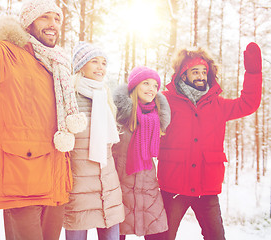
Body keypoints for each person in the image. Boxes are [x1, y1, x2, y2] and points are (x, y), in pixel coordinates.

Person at [0, 0, 87, 239]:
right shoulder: (7, 56)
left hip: (56, 184)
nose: (53, 24)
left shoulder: (58, 66)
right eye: (45, 17)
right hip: (24, 183)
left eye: (57, 19)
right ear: (29, 22)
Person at [157, 42, 262, 240]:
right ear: (183, 75)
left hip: (206, 188)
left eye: (204, 72)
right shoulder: (166, 101)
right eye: (195, 71)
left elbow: (248, 103)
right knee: (161, 237)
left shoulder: (218, 105)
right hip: (173, 187)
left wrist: (253, 73)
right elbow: (140, 112)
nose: (200, 76)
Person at [63, 41, 125, 240]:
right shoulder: (69, 96)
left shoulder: (105, 95)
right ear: (81, 65)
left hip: (107, 185)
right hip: (79, 186)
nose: (101, 67)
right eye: (94, 61)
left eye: (104, 63)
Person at [112, 66, 171, 240]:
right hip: (120, 188)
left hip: (148, 189)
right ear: (134, 86)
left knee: (158, 234)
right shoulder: (118, 117)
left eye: (155, 85)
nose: (151, 89)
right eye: (146, 83)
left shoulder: (157, 118)